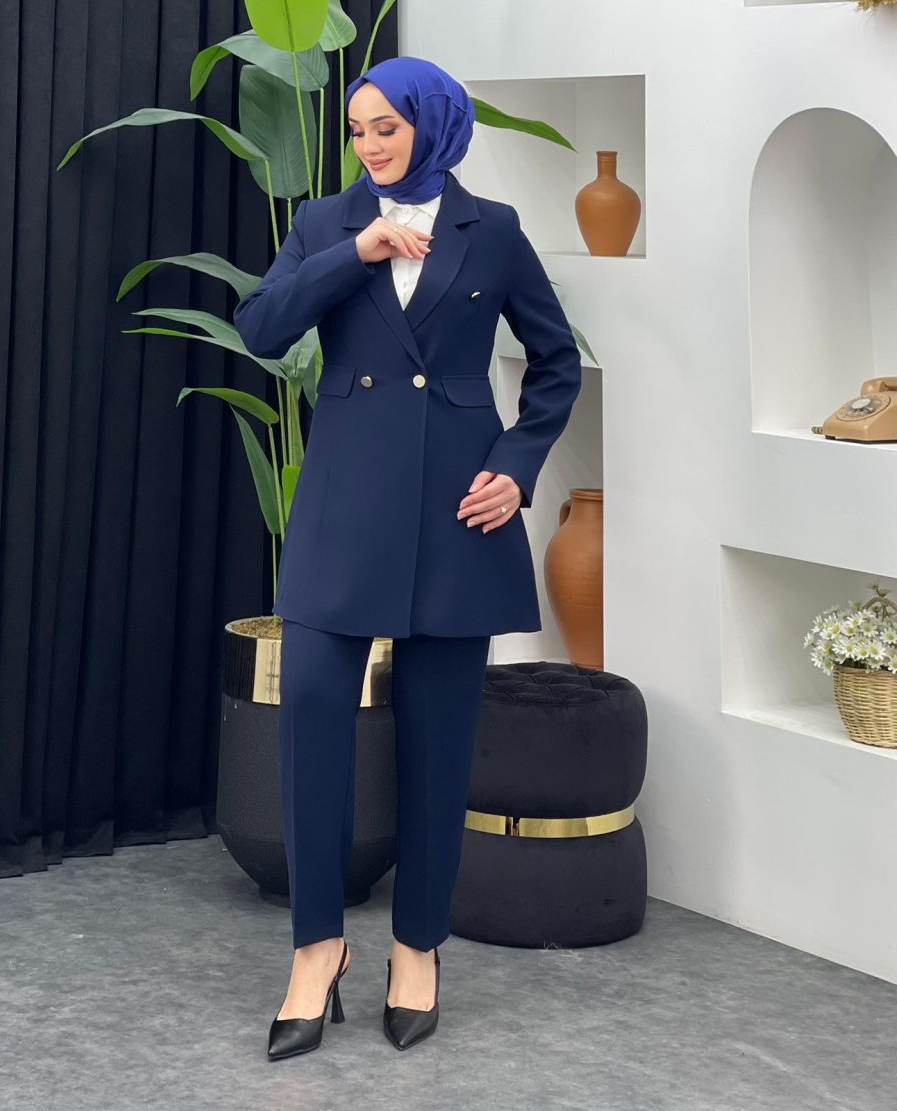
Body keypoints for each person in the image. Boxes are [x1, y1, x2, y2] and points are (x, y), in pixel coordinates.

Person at [233, 55, 582, 1060]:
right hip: (345, 506)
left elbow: (555, 361)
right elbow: (262, 329)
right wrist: (357, 251)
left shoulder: (493, 229)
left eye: (386, 126)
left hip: (457, 513)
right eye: (357, 129)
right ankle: (316, 949)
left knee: (438, 742)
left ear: (431, 123)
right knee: (311, 718)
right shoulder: (324, 223)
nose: (369, 145)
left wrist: (516, 468)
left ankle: (417, 946)